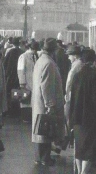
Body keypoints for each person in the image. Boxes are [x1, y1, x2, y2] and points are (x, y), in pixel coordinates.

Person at [69, 49, 96, 174]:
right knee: (90, 149)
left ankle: (79, 171)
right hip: (91, 117)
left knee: (79, 148)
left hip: (77, 117)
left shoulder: (77, 75)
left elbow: (72, 98)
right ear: (93, 60)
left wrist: (71, 117)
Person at [31, 38, 65, 166]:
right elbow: (47, 86)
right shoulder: (49, 63)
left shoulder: (40, 61)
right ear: (54, 50)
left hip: (39, 100)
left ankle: (40, 157)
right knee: (45, 130)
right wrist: (50, 104)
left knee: (40, 130)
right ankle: (44, 158)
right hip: (45, 102)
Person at [17, 40, 39, 123]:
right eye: (33, 49)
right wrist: (22, 83)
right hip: (26, 81)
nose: (35, 51)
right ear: (30, 48)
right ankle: (25, 118)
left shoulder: (36, 56)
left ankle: (31, 117)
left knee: (32, 100)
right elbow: (20, 70)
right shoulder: (23, 56)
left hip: (34, 81)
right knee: (25, 101)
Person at [3, 37, 23, 117]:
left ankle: (10, 109)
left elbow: (5, 63)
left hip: (10, 75)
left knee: (9, 92)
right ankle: (16, 109)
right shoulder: (22, 52)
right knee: (16, 92)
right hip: (18, 75)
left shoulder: (9, 51)